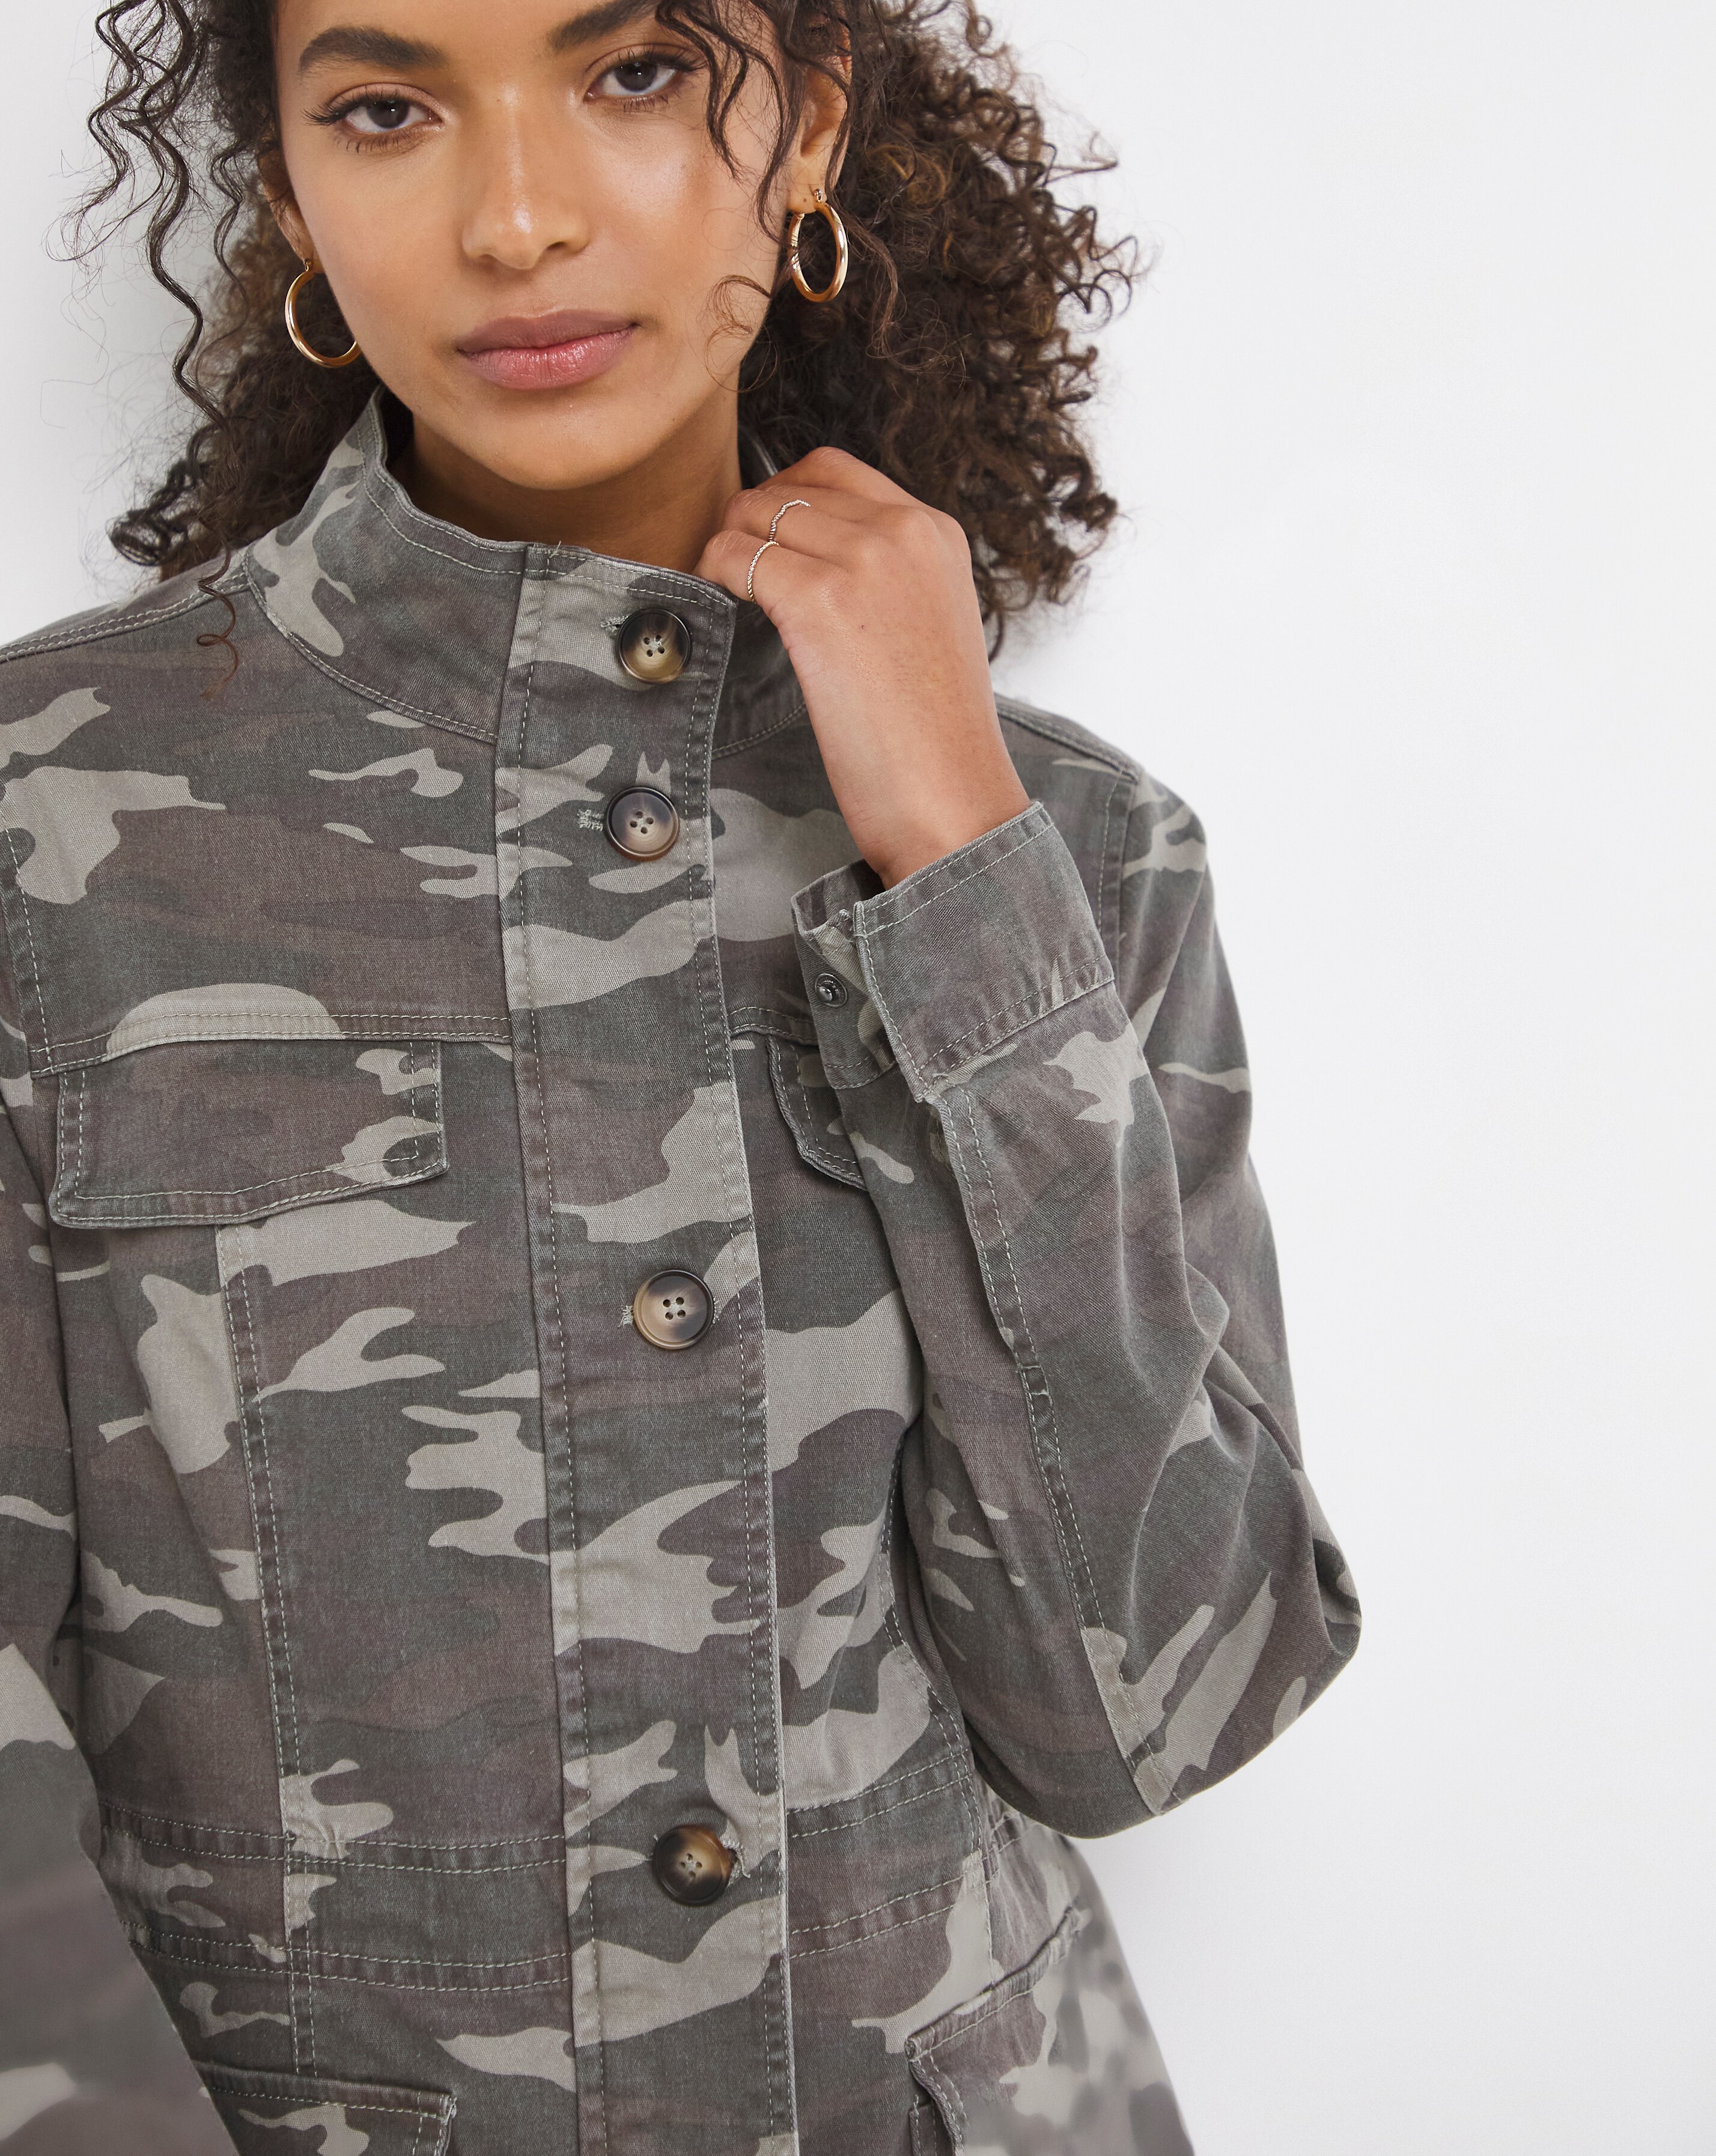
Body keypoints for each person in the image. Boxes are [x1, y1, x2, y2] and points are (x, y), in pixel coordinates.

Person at [0, 1, 1360, 2150]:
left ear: (804, 134)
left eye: (632, 73)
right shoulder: (45, 826)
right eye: (387, 108)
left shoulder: (1078, 849)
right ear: (291, 195)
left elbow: (1157, 1721)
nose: (517, 217)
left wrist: (961, 881)